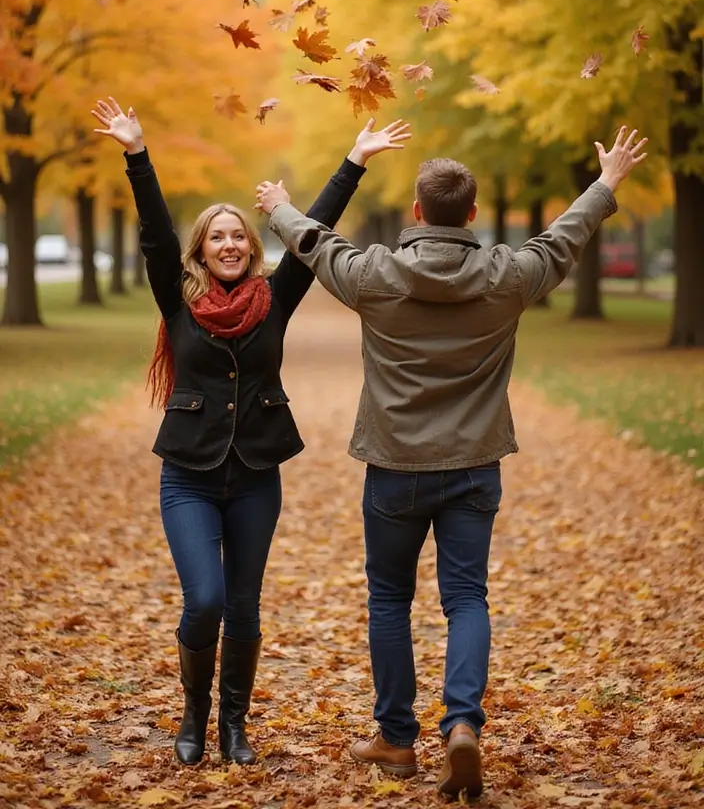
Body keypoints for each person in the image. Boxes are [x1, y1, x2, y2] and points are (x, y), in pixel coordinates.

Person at [255, 126, 648, 799]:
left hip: (395, 468)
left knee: (389, 600)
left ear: (416, 212)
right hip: (473, 467)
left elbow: (318, 247)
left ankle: (398, 739)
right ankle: (461, 725)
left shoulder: (377, 274)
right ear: (471, 215)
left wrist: (278, 206)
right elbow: (564, 239)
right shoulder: (507, 276)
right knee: (465, 598)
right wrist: (607, 181)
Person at [91, 96, 410, 767]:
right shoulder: (178, 300)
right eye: (219, 236)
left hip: (256, 477)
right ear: (202, 250)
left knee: (244, 604)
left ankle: (235, 725)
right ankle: (194, 713)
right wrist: (136, 154)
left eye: (240, 234)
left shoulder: (275, 300)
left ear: (252, 247)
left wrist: (354, 160)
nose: (231, 243)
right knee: (203, 599)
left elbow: (314, 230)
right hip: (189, 476)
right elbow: (152, 232)